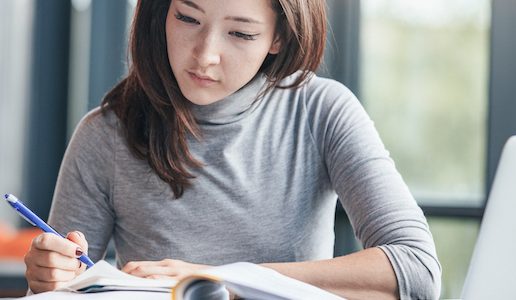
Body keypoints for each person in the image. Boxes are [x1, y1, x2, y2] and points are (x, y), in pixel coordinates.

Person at [23, 0, 441, 299]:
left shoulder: (321, 111)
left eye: (241, 32)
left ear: (278, 37)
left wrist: (222, 278)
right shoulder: (106, 133)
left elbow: (417, 271)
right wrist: (51, 278)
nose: (205, 56)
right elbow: (67, 290)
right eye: (187, 17)